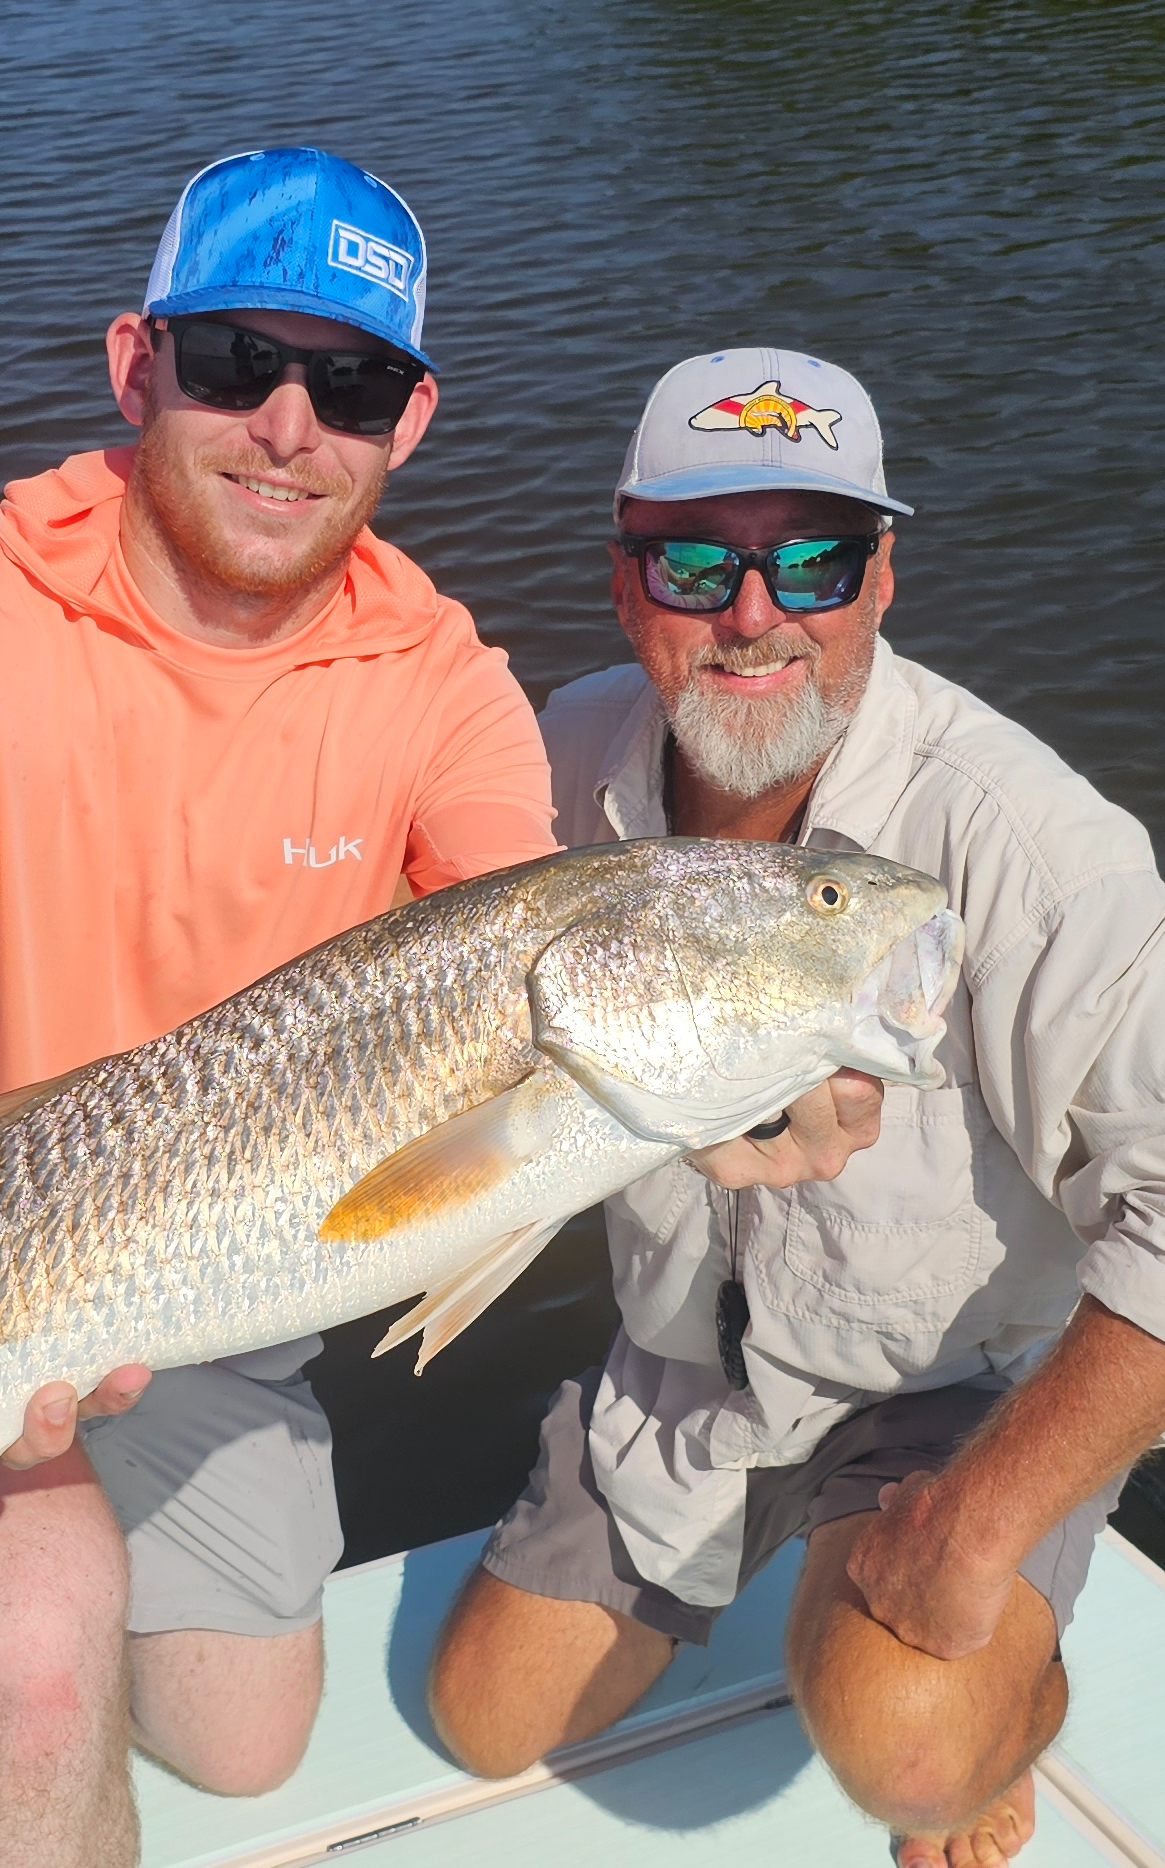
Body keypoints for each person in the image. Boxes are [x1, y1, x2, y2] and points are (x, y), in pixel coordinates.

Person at [0, 147, 567, 1868]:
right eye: (233, 361)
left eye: (351, 382)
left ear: (409, 424)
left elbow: (535, 945)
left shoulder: (451, 692)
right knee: (42, 1674)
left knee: (247, 1750)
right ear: (136, 363)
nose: (288, 425)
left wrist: (757, 1090)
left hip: (206, 1277)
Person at [428, 347, 1165, 1868]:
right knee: (481, 1722)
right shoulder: (546, 773)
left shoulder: (1027, 845)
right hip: (686, 1376)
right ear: (627, 582)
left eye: (812, 558)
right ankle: (772, 1545)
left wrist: (977, 1525)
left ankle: (1014, 1691)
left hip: (955, 1396)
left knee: (910, 1752)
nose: (754, 614)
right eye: (696, 562)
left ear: (883, 577)